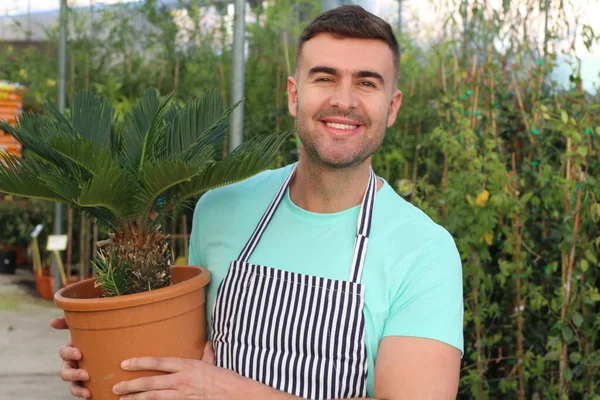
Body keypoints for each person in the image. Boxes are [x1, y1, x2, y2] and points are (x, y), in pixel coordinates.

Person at [51, 5, 464, 400]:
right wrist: (106, 344)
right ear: (292, 94)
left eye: (367, 83)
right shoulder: (220, 210)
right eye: (324, 78)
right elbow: (185, 350)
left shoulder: (424, 251)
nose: (345, 100)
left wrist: (229, 393)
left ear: (392, 108)